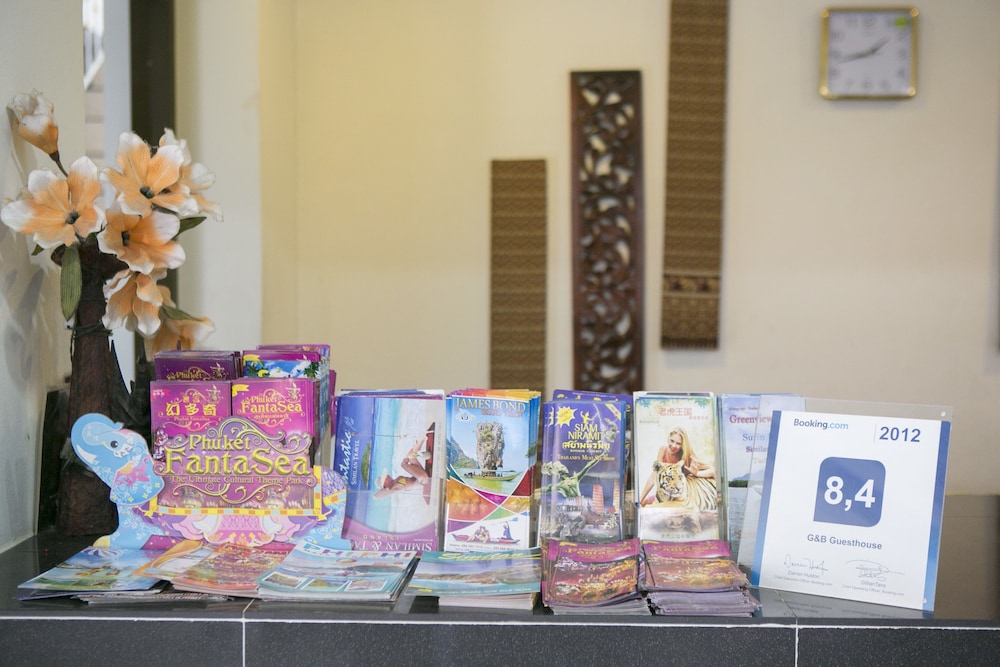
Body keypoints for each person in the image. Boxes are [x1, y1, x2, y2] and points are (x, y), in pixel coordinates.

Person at [638, 426, 714, 506]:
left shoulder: (686, 456)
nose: (673, 445)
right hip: (666, 492)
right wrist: (639, 500)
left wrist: (697, 473)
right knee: (645, 502)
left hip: (681, 496)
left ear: (683, 445)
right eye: (672, 441)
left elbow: (714, 471)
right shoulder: (663, 450)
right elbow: (654, 476)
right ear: (668, 438)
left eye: (678, 443)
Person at [373, 433, 432, 501]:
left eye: (385, 476)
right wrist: (385, 489)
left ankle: (419, 443)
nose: (387, 476)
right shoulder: (394, 488)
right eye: (385, 478)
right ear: (384, 485)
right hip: (423, 481)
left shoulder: (395, 481)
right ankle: (420, 444)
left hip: (421, 477)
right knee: (405, 462)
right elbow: (376, 497)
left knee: (410, 457)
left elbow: (405, 461)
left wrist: (412, 448)